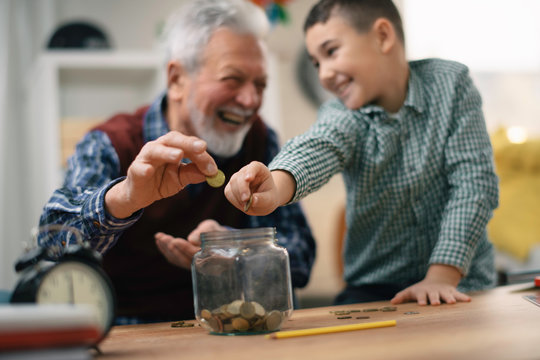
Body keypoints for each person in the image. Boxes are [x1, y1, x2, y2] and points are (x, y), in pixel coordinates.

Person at [38, 0, 315, 324]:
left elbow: (301, 256)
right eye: (232, 79)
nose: (251, 100)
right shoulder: (110, 142)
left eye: (260, 84)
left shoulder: (260, 139)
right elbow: (50, 247)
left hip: (230, 327)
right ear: (176, 79)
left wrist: (234, 250)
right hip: (128, 335)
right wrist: (123, 198)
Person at [225, 0, 499, 306]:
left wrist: (442, 276)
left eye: (330, 52)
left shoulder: (451, 84)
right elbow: (319, 145)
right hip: (375, 288)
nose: (324, 74)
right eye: (316, 63)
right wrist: (275, 184)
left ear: (382, 36)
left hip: (462, 280)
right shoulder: (343, 113)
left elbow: (474, 184)